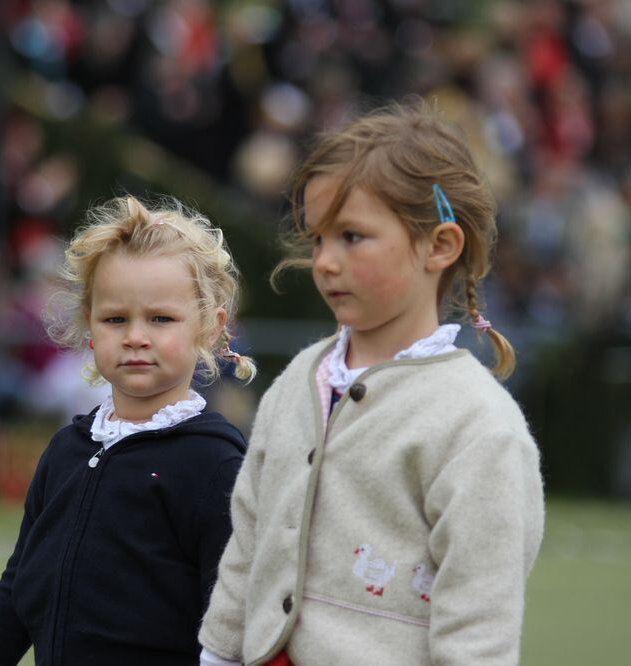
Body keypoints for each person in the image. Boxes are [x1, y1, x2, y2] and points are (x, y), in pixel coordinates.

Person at [199, 102, 545, 666]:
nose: (325, 263)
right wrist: (217, 654)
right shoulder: (298, 382)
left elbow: (480, 624)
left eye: (352, 236)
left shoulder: (481, 427)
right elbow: (248, 545)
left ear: (439, 246)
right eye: (317, 240)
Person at [0, 194, 257, 665]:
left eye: (161, 318)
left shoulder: (214, 463)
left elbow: (232, 617)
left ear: (209, 328)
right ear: (90, 328)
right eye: (116, 319)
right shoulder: (65, 451)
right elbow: (20, 582)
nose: (136, 336)